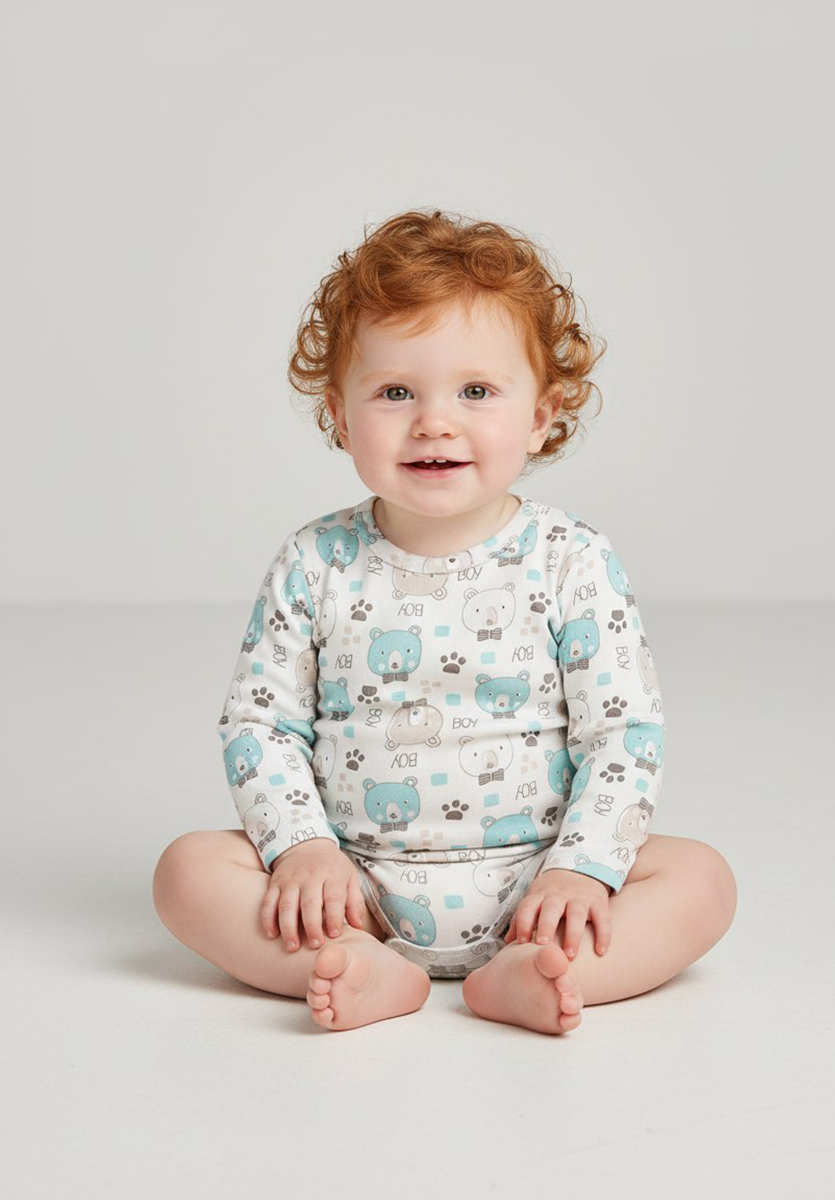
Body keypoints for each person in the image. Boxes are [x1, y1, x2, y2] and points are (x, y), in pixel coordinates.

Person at [152, 208, 737, 1036]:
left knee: (702, 881)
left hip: (537, 882)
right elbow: (261, 722)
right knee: (186, 871)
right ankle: (355, 963)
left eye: (476, 392)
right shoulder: (316, 560)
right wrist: (303, 849)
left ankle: (537, 971)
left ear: (541, 415)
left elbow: (623, 731)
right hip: (350, 883)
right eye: (396, 392)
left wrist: (582, 869)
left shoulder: (570, 559)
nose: (434, 421)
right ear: (340, 414)